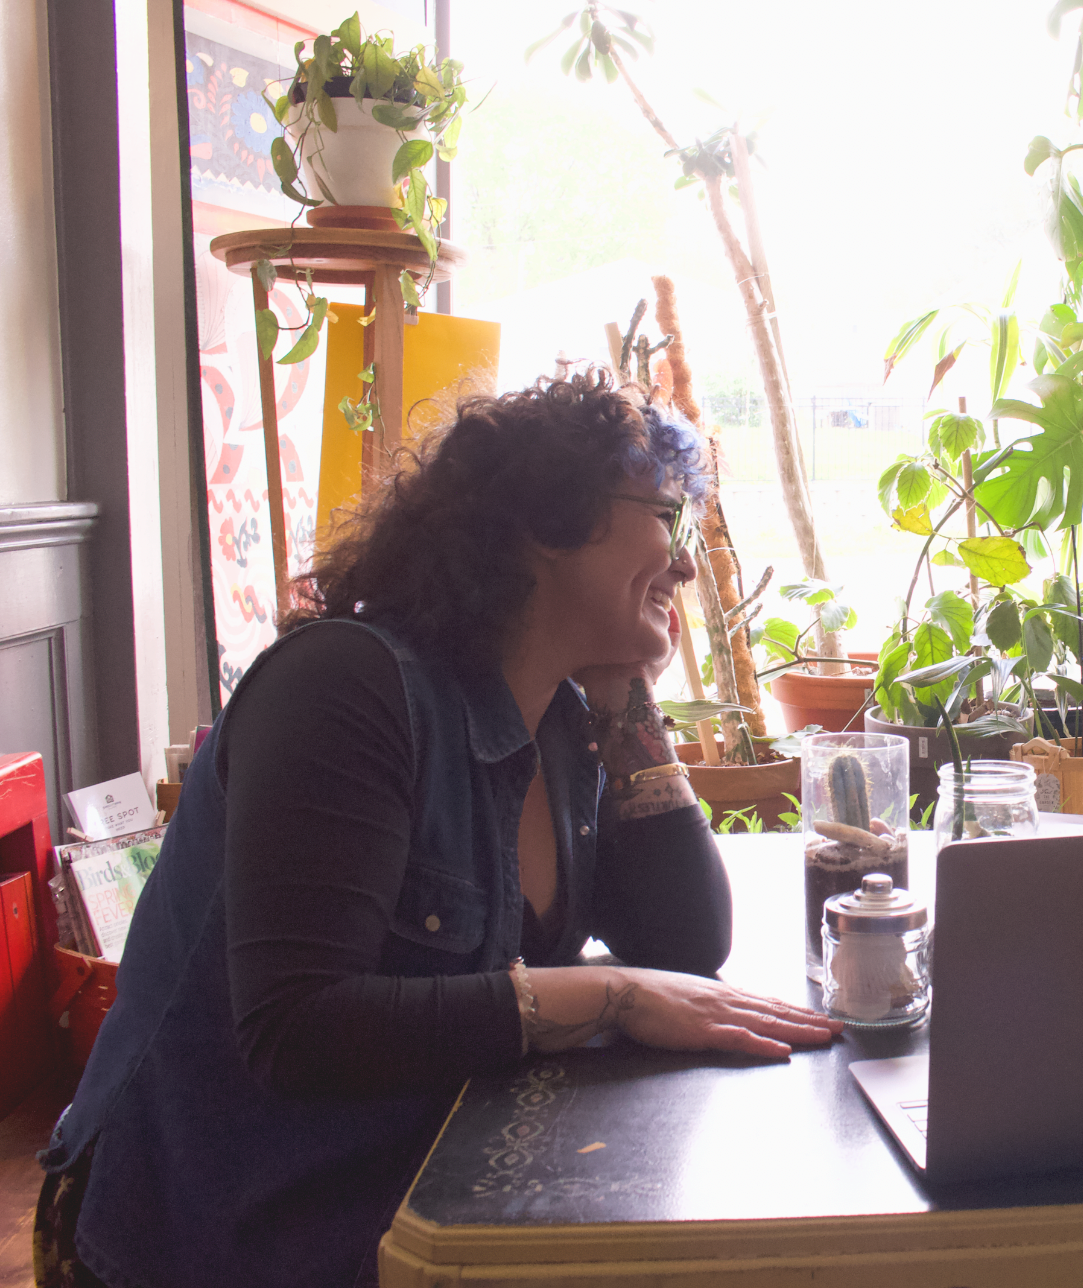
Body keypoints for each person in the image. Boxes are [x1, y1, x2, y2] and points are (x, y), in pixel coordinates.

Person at [35, 373, 839, 1287]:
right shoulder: (347, 687)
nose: (688, 565)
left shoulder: (562, 718)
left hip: (400, 1196)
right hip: (211, 1238)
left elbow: (686, 943)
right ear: (547, 522)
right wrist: (609, 995)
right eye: (669, 518)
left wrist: (629, 700)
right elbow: (296, 1028)